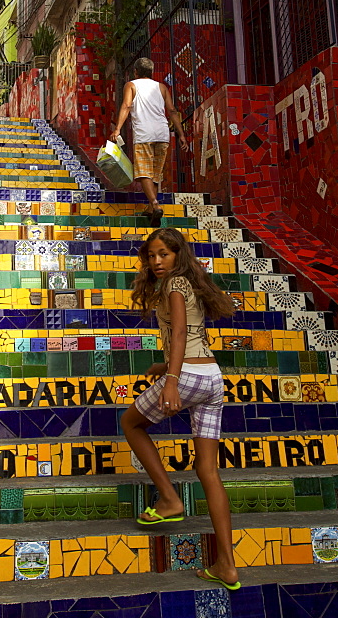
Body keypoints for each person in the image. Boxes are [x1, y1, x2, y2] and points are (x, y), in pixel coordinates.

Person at [120, 227, 240, 592]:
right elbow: (191, 335)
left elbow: (183, 331)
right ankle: (227, 567)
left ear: (177, 255)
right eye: (151, 255)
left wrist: (171, 380)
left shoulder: (174, 286)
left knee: (131, 423)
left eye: (164, 255)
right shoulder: (190, 282)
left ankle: (170, 499)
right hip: (211, 378)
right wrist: (164, 369)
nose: (156, 262)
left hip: (186, 376)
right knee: (209, 470)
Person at [112, 57, 188, 226]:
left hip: (144, 134)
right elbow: (172, 110)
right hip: (163, 134)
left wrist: (117, 128)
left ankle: (155, 204)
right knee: (155, 174)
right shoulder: (161, 87)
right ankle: (150, 209)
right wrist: (181, 133)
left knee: (144, 172)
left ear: (136, 72)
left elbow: (126, 106)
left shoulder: (131, 85)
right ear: (151, 72)